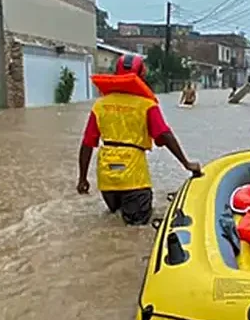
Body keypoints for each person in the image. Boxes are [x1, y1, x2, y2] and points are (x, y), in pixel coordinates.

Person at [77, 55, 202, 225]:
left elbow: (87, 143)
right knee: (136, 229)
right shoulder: (146, 105)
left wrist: (83, 178)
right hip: (133, 176)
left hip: (106, 177)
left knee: (115, 224)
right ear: (142, 77)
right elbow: (164, 135)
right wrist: (186, 164)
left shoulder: (100, 105)